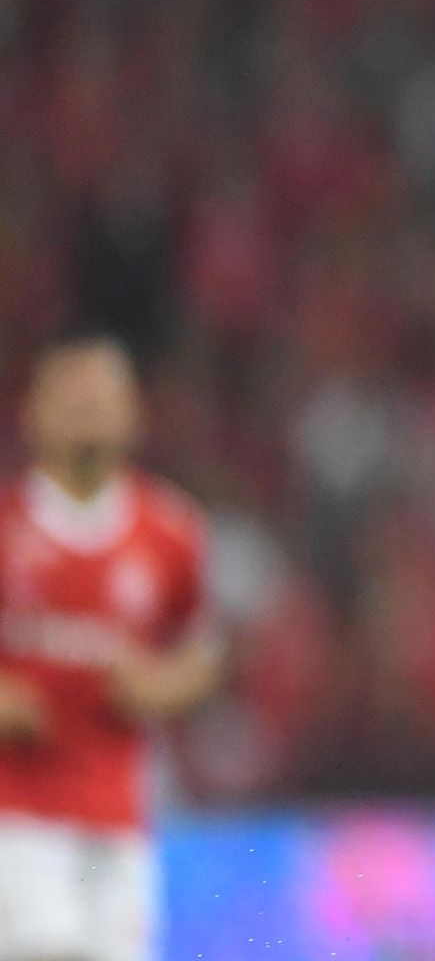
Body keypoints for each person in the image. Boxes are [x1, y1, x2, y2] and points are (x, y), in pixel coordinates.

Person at [0, 334, 222, 961]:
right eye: (70, 395)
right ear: (31, 411)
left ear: (135, 413)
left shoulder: (172, 533)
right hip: (15, 809)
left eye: (102, 395)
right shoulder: (7, 527)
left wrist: (163, 687)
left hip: (120, 811)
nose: (87, 410)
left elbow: (203, 654)